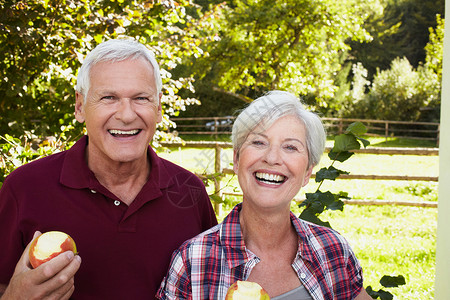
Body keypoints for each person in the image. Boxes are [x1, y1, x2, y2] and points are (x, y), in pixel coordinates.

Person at [0, 39, 218, 299]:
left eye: (141, 98)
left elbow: (210, 285)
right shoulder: (25, 188)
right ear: (80, 106)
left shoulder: (189, 192)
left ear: (158, 107)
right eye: (109, 98)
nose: (126, 115)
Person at [157, 91, 373, 299]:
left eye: (290, 147)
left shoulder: (332, 250)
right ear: (236, 159)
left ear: (308, 171)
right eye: (259, 142)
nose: (272, 158)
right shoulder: (193, 261)